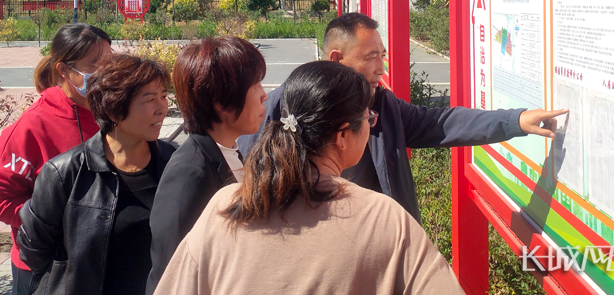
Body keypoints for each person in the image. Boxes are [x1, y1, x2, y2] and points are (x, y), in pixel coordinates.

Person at [154, 61, 464, 295]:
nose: (372, 123)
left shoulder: (227, 204)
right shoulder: (382, 218)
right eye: (367, 118)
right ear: (343, 136)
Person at [239, 12, 567, 222]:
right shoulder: (287, 105)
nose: (382, 68)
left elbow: (443, 122)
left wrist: (515, 120)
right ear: (337, 58)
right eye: (371, 57)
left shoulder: (384, 106)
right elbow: (250, 171)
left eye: (382, 56)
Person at [17, 54, 176, 295]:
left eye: (164, 96)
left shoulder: (174, 162)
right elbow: (34, 253)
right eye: (150, 99)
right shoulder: (65, 172)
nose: (161, 108)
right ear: (114, 108)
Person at [146, 36, 267, 295]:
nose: (264, 95)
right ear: (221, 103)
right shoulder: (190, 173)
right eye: (254, 84)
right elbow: (170, 270)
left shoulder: (230, 151)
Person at [0, 23, 111, 295]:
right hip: (45, 268)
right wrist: (51, 223)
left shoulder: (111, 112)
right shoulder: (31, 127)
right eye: (94, 64)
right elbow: (4, 198)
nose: (105, 73)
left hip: (100, 260)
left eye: (110, 62)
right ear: (64, 70)